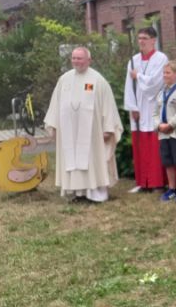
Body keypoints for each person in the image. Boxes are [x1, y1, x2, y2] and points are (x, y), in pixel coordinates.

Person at [45, 46, 122, 203]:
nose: (76, 61)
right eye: (74, 58)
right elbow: (55, 103)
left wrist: (108, 128)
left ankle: (95, 194)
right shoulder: (64, 79)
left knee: (92, 161)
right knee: (72, 159)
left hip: (93, 133)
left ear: (89, 60)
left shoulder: (98, 81)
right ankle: (78, 194)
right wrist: (53, 124)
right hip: (69, 132)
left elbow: (108, 105)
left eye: (80, 58)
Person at [123, 27, 168, 192]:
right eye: (139, 38)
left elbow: (157, 82)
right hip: (138, 108)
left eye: (145, 38)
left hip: (154, 105)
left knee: (154, 145)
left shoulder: (161, 58)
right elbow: (129, 86)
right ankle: (142, 182)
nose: (141, 41)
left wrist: (139, 77)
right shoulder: (133, 60)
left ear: (153, 40)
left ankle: (156, 182)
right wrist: (133, 107)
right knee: (140, 145)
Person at [155, 61, 176, 202]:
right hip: (163, 133)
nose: (165, 75)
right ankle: (172, 188)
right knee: (168, 161)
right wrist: (159, 125)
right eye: (164, 72)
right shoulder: (161, 93)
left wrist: (170, 125)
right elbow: (155, 112)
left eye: (168, 72)